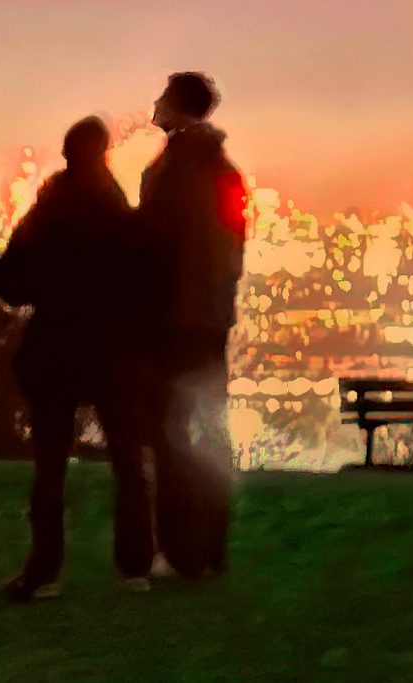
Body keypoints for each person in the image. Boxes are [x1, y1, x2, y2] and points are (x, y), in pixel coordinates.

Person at [0, 115, 156, 600]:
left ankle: (45, 569)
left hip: (56, 346)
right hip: (112, 350)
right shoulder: (120, 211)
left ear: (67, 153)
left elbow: (10, 282)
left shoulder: (48, 211)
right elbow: (145, 283)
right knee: (127, 458)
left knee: (50, 463)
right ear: (103, 153)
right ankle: (135, 566)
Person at [137, 72, 248, 579]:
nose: (155, 103)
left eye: (163, 96)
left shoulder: (170, 172)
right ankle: (211, 547)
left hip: (171, 320)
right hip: (210, 320)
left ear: (179, 107)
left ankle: (179, 550)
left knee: (172, 434)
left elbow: (153, 248)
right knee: (208, 428)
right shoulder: (224, 171)